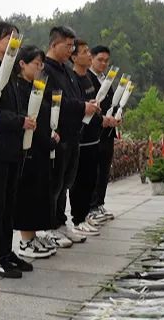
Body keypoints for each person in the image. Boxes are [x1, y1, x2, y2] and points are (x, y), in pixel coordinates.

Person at [0, 21, 35, 278]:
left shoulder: (8, 68)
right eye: (9, 38)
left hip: (12, 146)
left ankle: (5, 251)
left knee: (9, 202)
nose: (15, 42)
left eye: (17, 38)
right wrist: (20, 121)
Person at [43, 27, 99, 247]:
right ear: (54, 44)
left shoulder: (65, 69)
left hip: (73, 134)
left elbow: (74, 96)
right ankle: (49, 225)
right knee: (54, 183)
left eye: (72, 46)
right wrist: (82, 106)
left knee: (65, 182)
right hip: (58, 134)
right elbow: (54, 101)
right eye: (67, 46)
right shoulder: (45, 69)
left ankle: (60, 222)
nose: (71, 50)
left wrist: (87, 105)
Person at [13, 45, 59, 259]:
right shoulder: (18, 88)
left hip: (41, 147)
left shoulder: (36, 87)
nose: (40, 68)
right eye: (36, 64)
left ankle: (33, 235)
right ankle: (25, 240)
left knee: (39, 193)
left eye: (42, 65)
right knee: (27, 195)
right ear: (22, 64)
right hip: (29, 149)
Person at [68, 38, 102, 236]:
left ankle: (86, 214)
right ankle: (77, 219)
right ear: (74, 57)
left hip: (94, 137)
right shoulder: (72, 79)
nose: (89, 55)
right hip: (80, 139)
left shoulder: (88, 78)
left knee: (90, 179)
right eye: (85, 52)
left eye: (89, 51)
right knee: (79, 181)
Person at [87, 45, 120, 225]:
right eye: (100, 60)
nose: (103, 64)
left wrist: (117, 116)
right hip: (95, 131)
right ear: (91, 58)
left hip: (108, 132)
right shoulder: (87, 78)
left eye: (106, 61)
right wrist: (102, 120)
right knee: (94, 170)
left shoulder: (106, 79)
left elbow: (112, 103)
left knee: (104, 170)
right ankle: (91, 206)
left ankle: (99, 203)